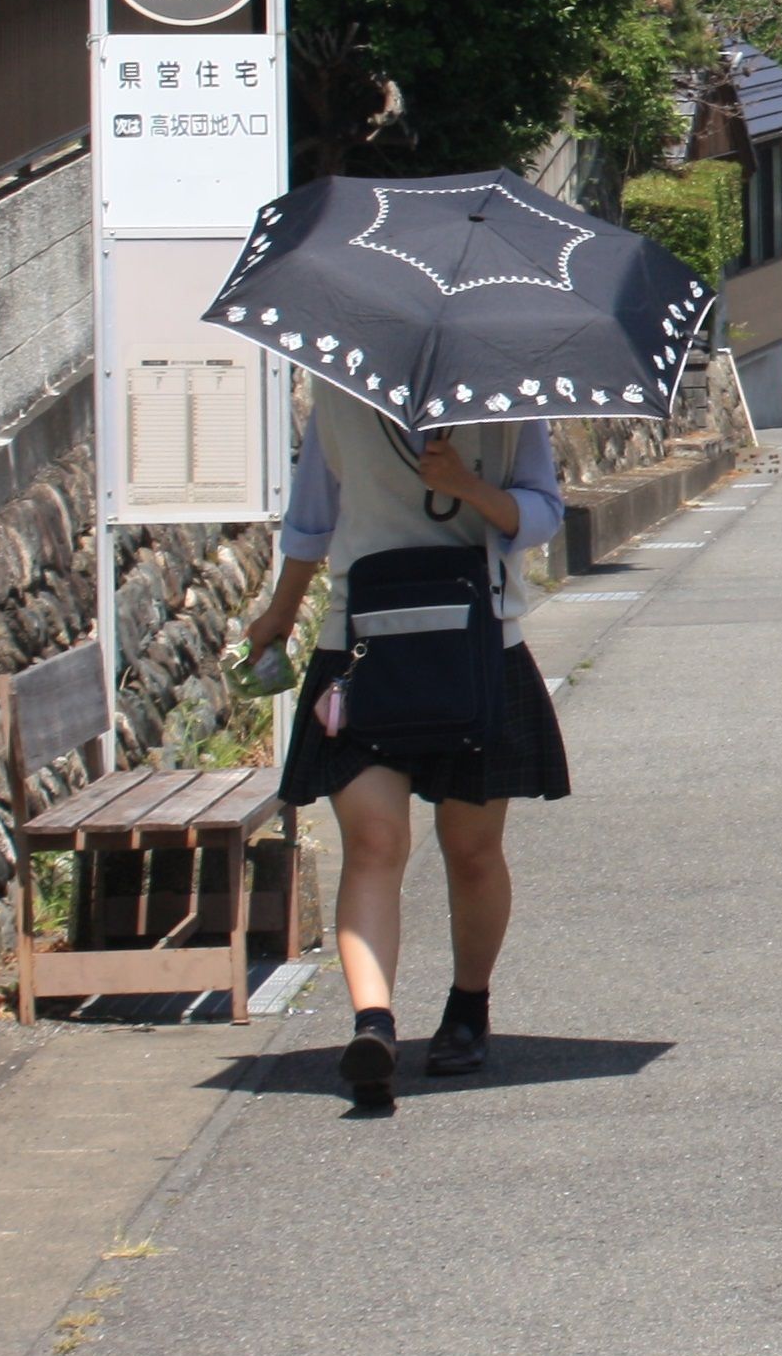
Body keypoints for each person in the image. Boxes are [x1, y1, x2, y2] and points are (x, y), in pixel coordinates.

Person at [234, 394, 569, 1108]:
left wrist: (470, 489)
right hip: (359, 643)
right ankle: (373, 1025)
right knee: (375, 840)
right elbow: (313, 518)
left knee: (471, 846)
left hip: (479, 646)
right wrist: (280, 613)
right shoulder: (341, 393)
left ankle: (467, 1008)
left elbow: (543, 509)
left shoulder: (509, 400)